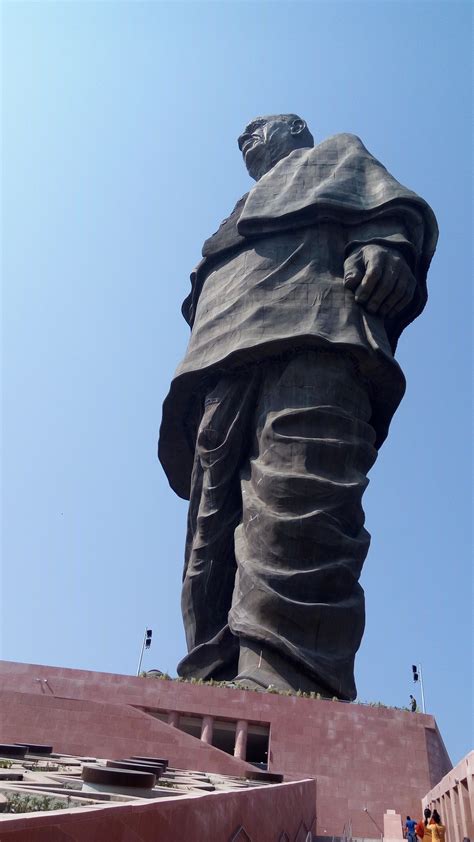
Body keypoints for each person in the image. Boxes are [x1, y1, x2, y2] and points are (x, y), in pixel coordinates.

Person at [159, 114, 438, 699]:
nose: (245, 140)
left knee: (298, 495)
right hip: (224, 355)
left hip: (318, 330)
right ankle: (213, 670)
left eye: (257, 130)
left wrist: (384, 245)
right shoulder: (237, 208)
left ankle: (283, 672)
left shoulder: (336, 154)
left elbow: (387, 211)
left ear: (295, 131)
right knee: (212, 527)